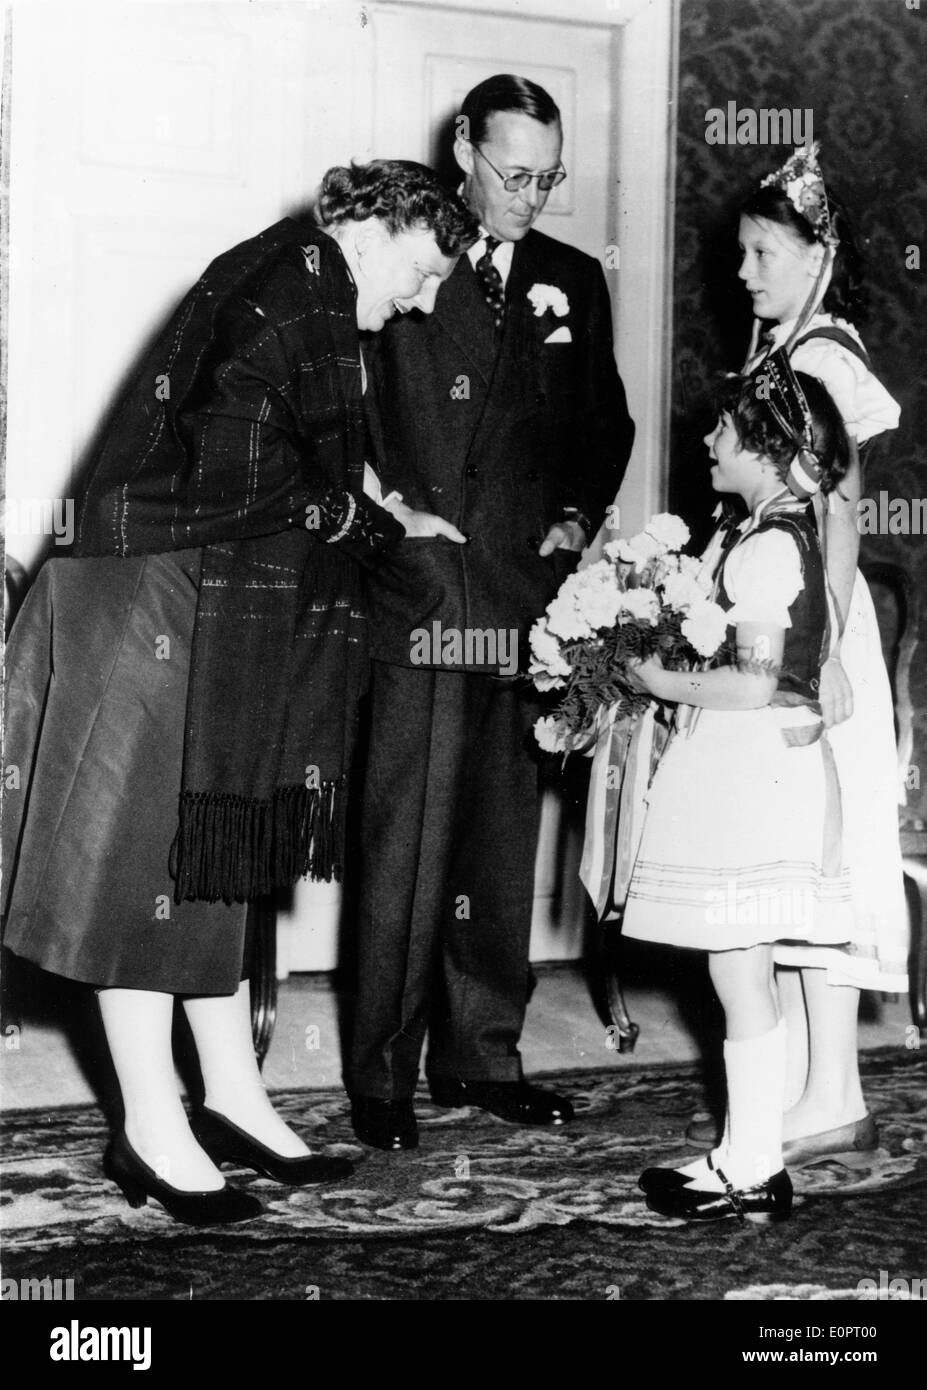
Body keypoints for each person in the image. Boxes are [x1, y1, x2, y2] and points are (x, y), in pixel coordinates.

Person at [1, 161, 478, 1223]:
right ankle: (149, 1124)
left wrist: (380, 508)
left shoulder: (311, 283)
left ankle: (231, 1095)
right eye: (421, 270)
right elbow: (237, 469)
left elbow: (284, 452)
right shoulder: (289, 290)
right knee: (145, 866)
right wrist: (368, 525)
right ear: (377, 228)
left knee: (223, 847)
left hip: (202, 586)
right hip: (140, 593)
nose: (424, 298)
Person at [348, 74, 635, 1150]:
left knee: (498, 843)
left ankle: (481, 1055)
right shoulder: (404, 249)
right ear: (462, 144)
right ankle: (379, 1074)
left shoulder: (568, 279)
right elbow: (350, 406)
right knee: (405, 836)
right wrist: (385, 515)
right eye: (515, 173)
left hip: (522, 599)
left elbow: (605, 419)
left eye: (549, 176)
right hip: (422, 594)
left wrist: (576, 515)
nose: (531, 196)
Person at [686, 144, 908, 1162]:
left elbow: (842, 512)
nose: (746, 273)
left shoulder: (824, 358)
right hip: (789, 611)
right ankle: (814, 1086)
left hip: (813, 620)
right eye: (742, 253)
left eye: (765, 252)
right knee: (783, 859)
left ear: (817, 254)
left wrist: (817, 651)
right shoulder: (785, 350)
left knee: (816, 856)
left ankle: (831, 1089)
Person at [623, 358, 855, 1222]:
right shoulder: (772, 528)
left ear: (761, 444)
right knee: (741, 966)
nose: (707, 442)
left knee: (737, 968)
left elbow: (755, 683)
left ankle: (751, 1162)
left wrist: (658, 681)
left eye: (721, 430)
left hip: (751, 767)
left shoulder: (765, 545)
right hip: (762, 764)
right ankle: (747, 1151)